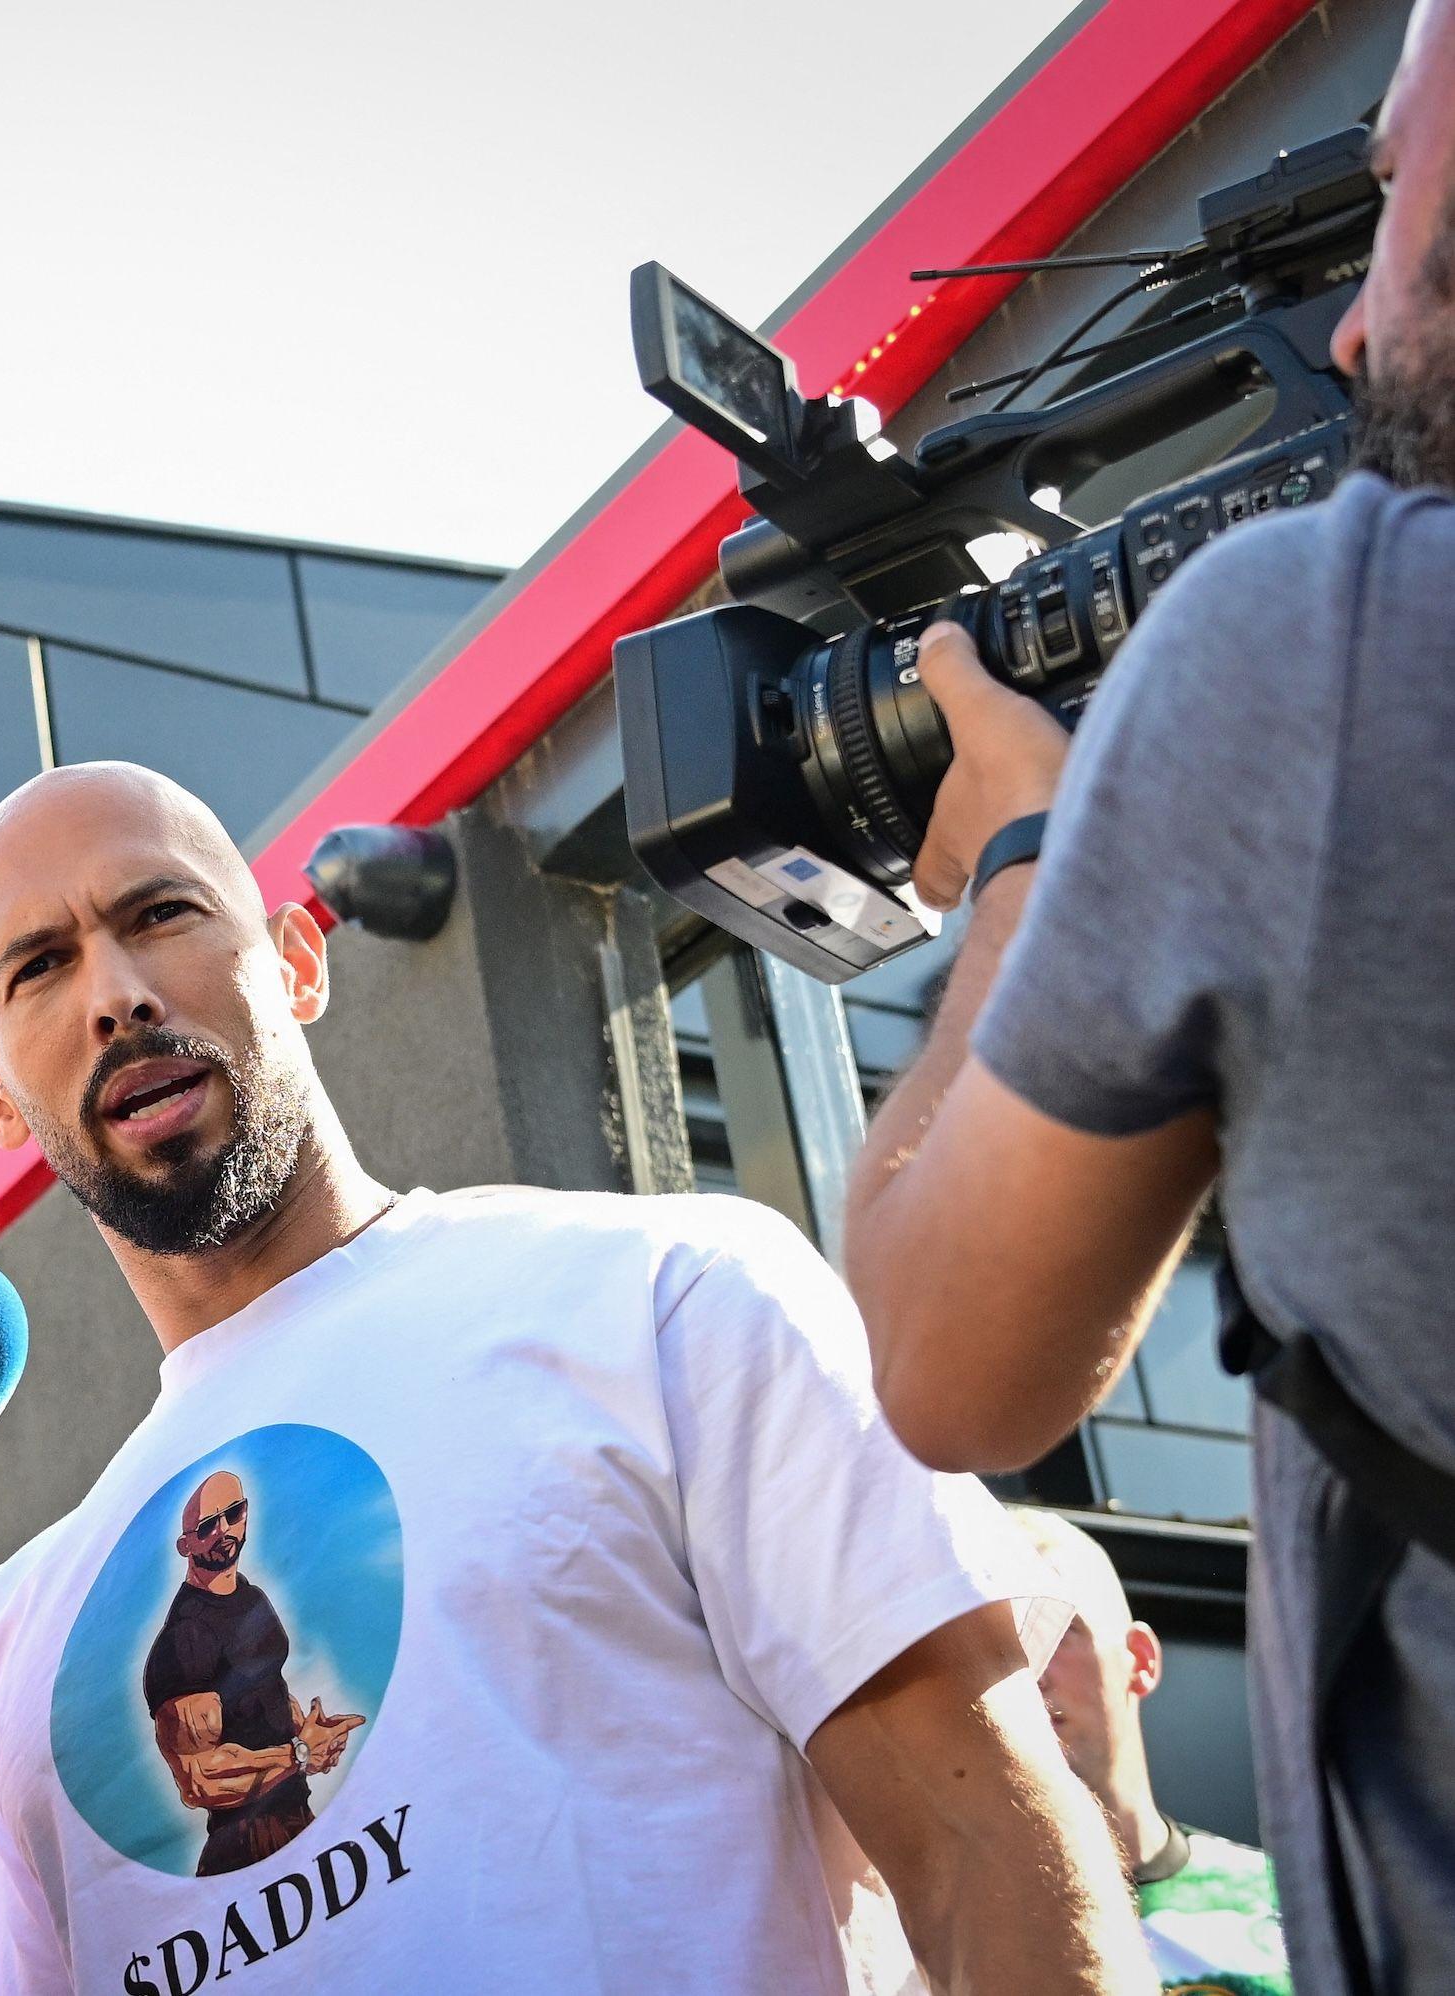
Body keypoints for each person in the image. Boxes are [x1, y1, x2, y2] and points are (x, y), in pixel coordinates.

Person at [0, 760, 1144, 1995]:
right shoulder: (21, 1629)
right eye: (39, 966)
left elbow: (982, 1836)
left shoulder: (661, 1295)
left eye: (160, 914)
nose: (117, 995)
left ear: (299, 962)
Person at [839, 8, 1455, 1989]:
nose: (1347, 332)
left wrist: (1025, 855)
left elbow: (940, 1364)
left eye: (1381, 208)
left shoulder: (1320, 644)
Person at [1009, 1508, 1293, 1995]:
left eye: (1052, 1631)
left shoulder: (1286, 1904)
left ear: (1138, 1660)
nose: (1022, 1669)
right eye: (998, 1647)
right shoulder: (910, 1941)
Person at [141, 1470, 363, 1876]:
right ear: (185, 1544)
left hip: (295, 1816)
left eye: (233, 1514)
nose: (223, 1530)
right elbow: (199, 1779)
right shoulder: (185, 1639)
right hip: (242, 1847)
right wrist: (298, 1754)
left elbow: (266, 1688)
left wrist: (312, 1732)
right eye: (207, 1525)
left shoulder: (251, 1597)